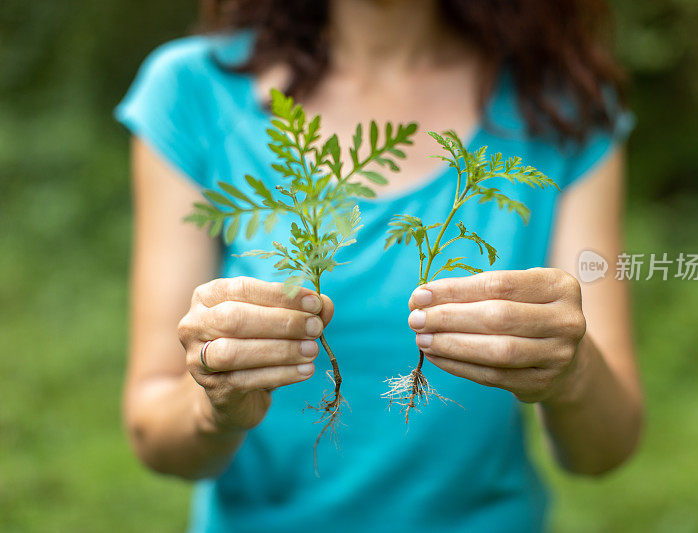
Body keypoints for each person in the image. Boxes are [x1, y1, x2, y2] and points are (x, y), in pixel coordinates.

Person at [116, 1, 642, 531]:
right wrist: (214, 405)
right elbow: (154, 433)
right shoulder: (193, 91)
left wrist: (572, 373)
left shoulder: (560, 107)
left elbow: (606, 449)